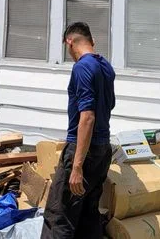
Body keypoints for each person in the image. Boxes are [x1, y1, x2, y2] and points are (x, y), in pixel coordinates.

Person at [41, 22, 116, 239]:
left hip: (83, 150)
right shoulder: (106, 67)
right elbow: (109, 105)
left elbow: (88, 117)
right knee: (87, 215)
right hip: (102, 150)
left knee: (59, 216)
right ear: (92, 41)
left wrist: (77, 166)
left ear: (69, 42)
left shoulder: (82, 67)